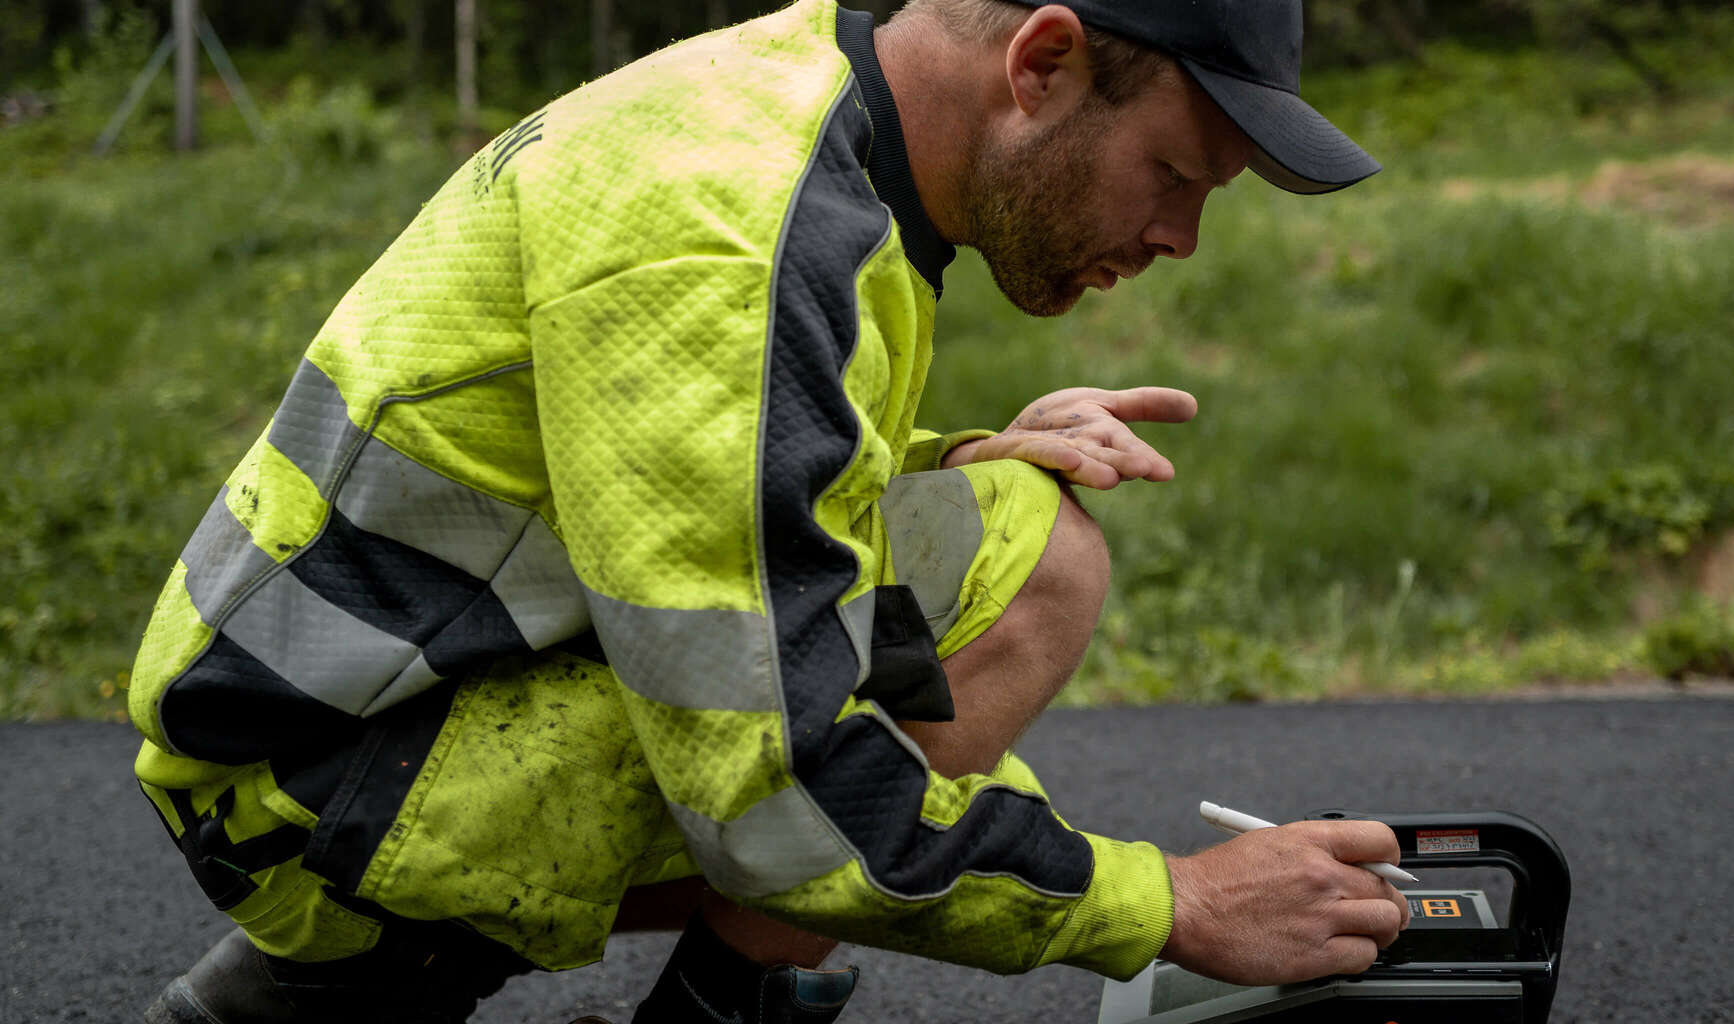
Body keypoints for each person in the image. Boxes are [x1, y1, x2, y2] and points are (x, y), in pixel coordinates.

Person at [131, 1, 1408, 1022]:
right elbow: (780, 790)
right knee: (847, 742)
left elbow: (663, 456)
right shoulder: (735, 228)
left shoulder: (815, 109)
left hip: (384, 688)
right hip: (319, 775)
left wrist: (952, 454)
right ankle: (354, 976)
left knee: (1026, 534)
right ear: (1045, 60)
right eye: (1174, 173)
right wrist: (1175, 901)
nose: (1180, 235)